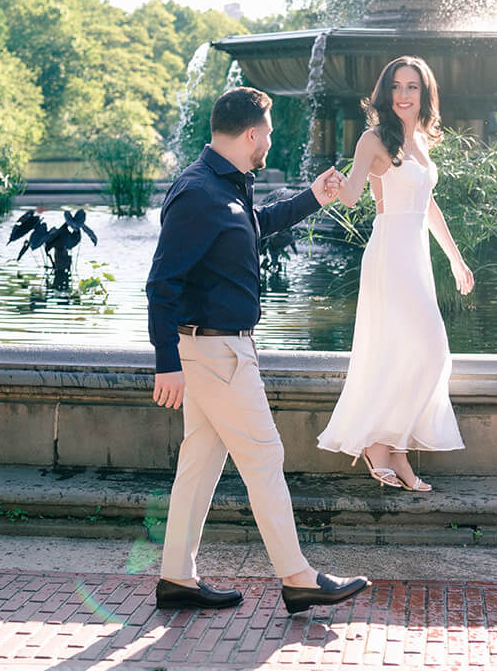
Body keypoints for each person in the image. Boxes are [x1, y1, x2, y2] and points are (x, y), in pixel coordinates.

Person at [147, 86, 369, 615]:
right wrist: (166, 363)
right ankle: (297, 578)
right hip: (217, 354)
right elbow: (162, 284)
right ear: (252, 134)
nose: (270, 139)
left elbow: (253, 227)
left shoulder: (226, 186)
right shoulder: (199, 192)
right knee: (265, 458)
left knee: (199, 464)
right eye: (268, 131)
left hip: (217, 351)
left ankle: (177, 577)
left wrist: (313, 197)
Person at [317, 56, 473, 490]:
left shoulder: (422, 139)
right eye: (397, 87)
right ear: (386, 93)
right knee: (431, 350)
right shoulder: (373, 138)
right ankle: (378, 446)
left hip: (416, 254)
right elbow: (351, 195)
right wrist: (332, 186)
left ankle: (396, 449)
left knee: (416, 353)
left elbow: (428, 205)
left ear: (424, 94)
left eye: (413, 88)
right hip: (389, 253)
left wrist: (456, 259)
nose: (404, 95)